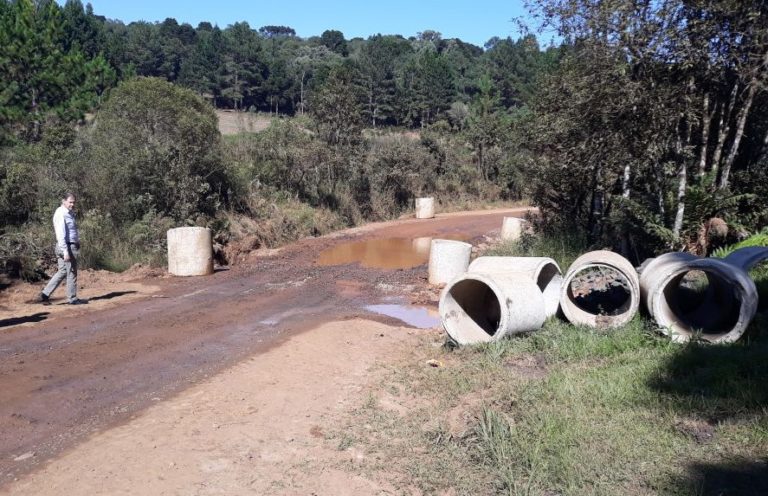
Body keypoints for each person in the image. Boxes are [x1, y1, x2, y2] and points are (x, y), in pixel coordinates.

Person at [38, 192, 87, 305]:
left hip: (69, 245)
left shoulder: (69, 213)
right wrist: (65, 252)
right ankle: (72, 298)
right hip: (66, 247)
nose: (72, 204)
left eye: (74, 202)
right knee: (72, 272)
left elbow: (72, 230)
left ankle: (45, 294)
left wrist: (77, 241)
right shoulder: (61, 213)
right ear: (63, 201)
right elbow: (60, 234)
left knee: (63, 271)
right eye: (70, 202)